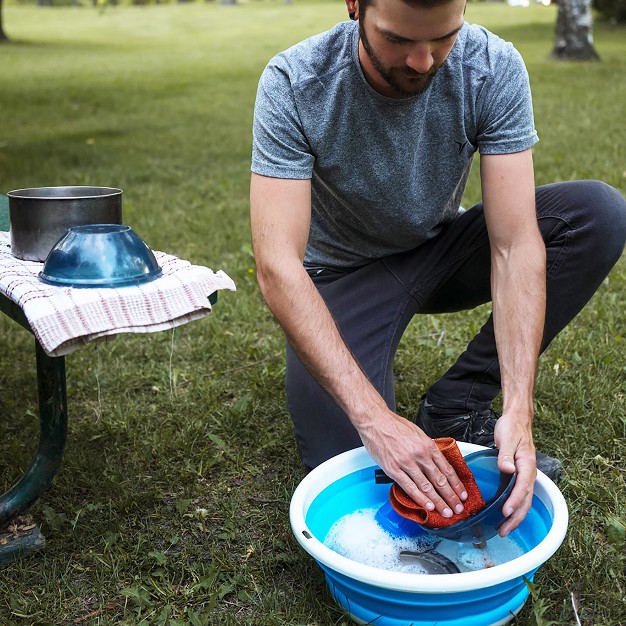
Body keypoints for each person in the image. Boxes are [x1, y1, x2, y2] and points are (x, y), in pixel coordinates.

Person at [249, 0, 626, 535]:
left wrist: (519, 407)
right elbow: (276, 266)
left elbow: (515, 245)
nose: (423, 61)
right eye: (398, 40)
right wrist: (376, 421)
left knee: (597, 214)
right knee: (352, 464)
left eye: (443, 38)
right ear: (355, 6)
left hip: (437, 252)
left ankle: (457, 404)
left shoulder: (491, 66)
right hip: (341, 276)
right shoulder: (296, 81)